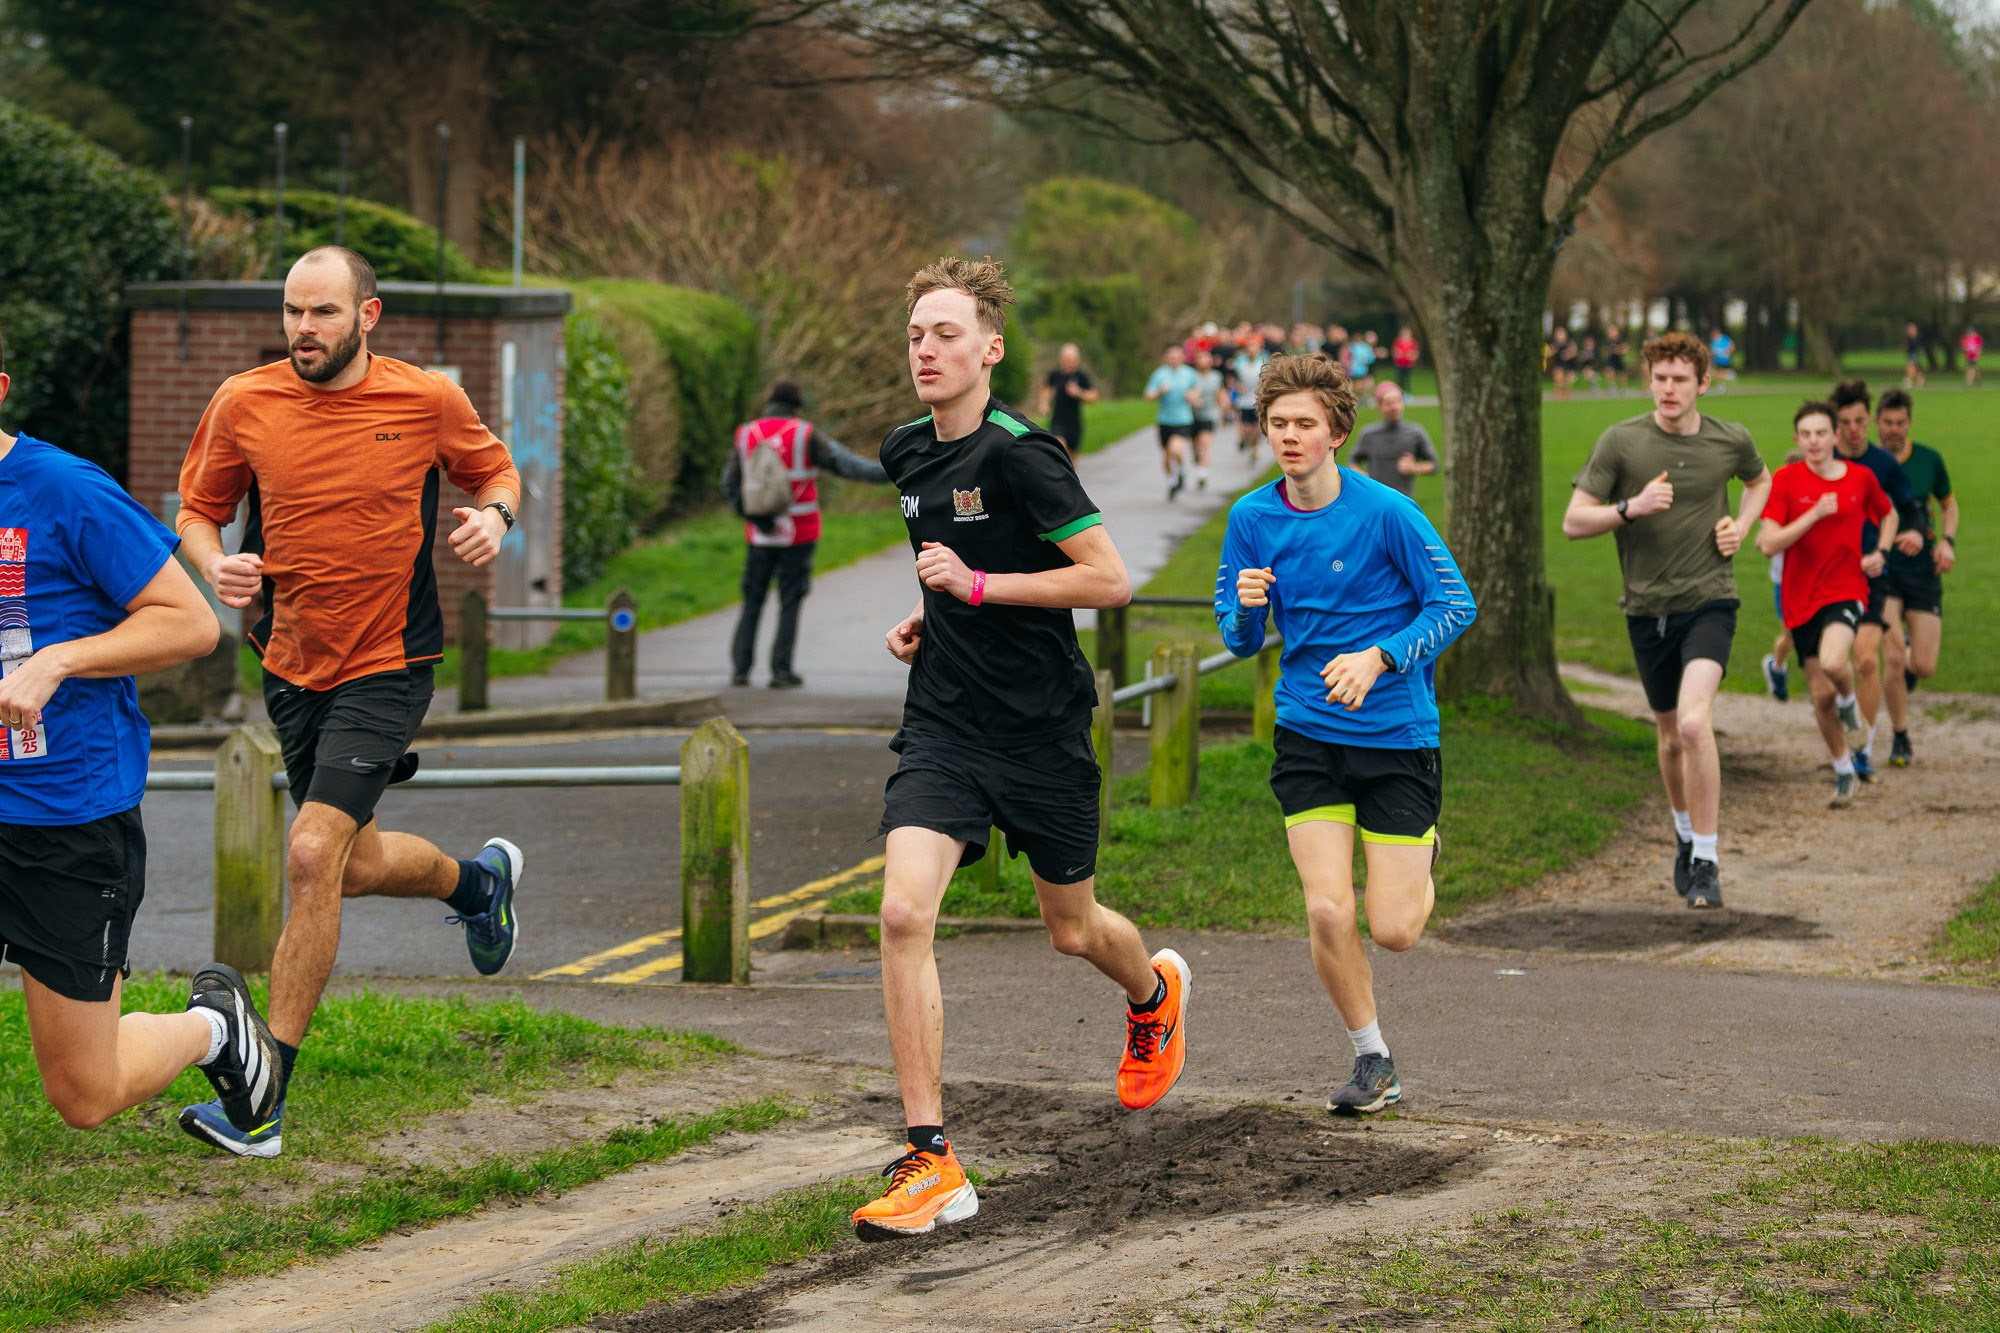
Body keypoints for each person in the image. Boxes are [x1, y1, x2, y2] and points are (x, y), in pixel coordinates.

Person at [857, 256, 1188, 1241]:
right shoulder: (903, 452)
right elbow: (946, 567)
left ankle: (1152, 991)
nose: (925, 348)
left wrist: (977, 590)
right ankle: (930, 1157)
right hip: (946, 725)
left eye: (945, 332)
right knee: (901, 908)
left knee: (1073, 929)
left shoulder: (1023, 455)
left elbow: (1109, 578)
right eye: (914, 332)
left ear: (990, 349)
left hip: (1042, 729)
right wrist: (927, 615)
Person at [173, 246, 527, 1156]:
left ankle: (263, 1096)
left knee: (310, 849)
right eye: (293, 311)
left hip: (390, 659)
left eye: (323, 312)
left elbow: (496, 472)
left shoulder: (425, 399)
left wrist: (494, 516)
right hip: (291, 663)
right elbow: (197, 513)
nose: (303, 329)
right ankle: (479, 883)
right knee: (352, 864)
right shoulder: (243, 402)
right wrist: (218, 566)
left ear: (367, 316)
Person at [0, 335, 285, 1141]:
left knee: (85, 1092)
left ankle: (214, 1026)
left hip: (64, 817)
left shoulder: (63, 490)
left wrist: (60, 659)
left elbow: (192, 623)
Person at [1216, 353, 1476, 1115]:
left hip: (1397, 738)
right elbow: (1236, 639)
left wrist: (1381, 656)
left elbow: (1455, 604)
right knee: (1328, 909)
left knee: (1393, 928)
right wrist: (1247, 604)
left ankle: (1423, 844)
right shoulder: (1251, 519)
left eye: (1304, 423)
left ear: (1336, 432)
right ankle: (1373, 1059)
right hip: (1307, 734)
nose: (1289, 437)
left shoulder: (1387, 512)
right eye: (1277, 424)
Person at [1562, 331, 1771, 909]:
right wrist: (1631, 508)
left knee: (1693, 724)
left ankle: (1706, 858)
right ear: (1648, 380)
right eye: (1660, 378)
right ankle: (1683, 834)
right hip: (1646, 609)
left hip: (1710, 600)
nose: (1669, 389)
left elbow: (1761, 479)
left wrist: (1742, 527)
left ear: (1704, 382)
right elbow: (1574, 522)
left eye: (1681, 379)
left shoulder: (1731, 440)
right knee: (1668, 732)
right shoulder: (1622, 443)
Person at [1756, 401, 1895, 807]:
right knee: (1819, 695)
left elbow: (1888, 515)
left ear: (1836, 436)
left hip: (1846, 588)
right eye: (1806, 434)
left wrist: (1881, 552)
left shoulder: (1860, 477)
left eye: (1821, 433)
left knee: (1836, 663)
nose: (1814, 441)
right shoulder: (1786, 480)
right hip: (1799, 599)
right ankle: (1843, 770)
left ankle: (1851, 706)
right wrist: (1813, 514)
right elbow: (1768, 543)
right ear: (1797, 440)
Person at [720, 378, 890, 689]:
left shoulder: (746, 434)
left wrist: (755, 519)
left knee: (752, 599)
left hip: (760, 533)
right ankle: (781, 670)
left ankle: (740, 670)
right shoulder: (804, 433)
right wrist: (893, 469)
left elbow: (729, 483)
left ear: (769, 402)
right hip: (799, 533)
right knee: (790, 600)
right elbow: (847, 465)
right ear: (796, 407)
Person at [1828, 379, 1922, 782]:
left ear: (1869, 419)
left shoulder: (1883, 466)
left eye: (1859, 421)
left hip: (1871, 573)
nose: (1853, 429)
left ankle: (1862, 749)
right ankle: (1843, 732)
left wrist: (1915, 532)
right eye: (1845, 421)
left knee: (1867, 659)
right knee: (1827, 669)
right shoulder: (1823, 460)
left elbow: (1909, 509)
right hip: (1826, 575)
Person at [1874, 389, 1958, 766]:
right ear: (1877, 422)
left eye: (1900, 423)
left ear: (1909, 423)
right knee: (1892, 659)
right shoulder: (1867, 463)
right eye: (1887, 423)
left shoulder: (1929, 460)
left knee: (1922, 666)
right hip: (1885, 573)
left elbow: (1949, 505)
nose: (1893, 430)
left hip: (1924, 571)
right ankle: (1901, 736)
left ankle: (1909, 653)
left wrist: (1947, 542)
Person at [1347, 382, 1439, 497]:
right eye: (1389, 403)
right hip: (1375, 500)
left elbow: (1434, 465)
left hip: (1403, 501)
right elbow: (1352, 462)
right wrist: (1365, 478)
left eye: (1398, 401)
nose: (1395, 407)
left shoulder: (1415, 433)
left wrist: (1414, 467)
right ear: (1380, 407)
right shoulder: (1369, 434)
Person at [1144, 343, 1201, 500]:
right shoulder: (1159, 374)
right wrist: (1159, 392)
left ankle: (1182, 469)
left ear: (1182, 357)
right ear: (1166, 358)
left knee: (1174, 450)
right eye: (1171, 356)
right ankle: (1172, 480)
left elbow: (1197, 392)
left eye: (1177, 356)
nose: (1174, 359)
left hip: (1183, 419)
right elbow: (1148, 396)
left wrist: (1193, 397)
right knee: (1166, 456)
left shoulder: (1189, 374)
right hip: (1164, 420)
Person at [1035, 343, 1099, 461]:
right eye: (1065, 360)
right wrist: (1044, 404)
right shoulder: (1055, 374)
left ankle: (1070, 478)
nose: (1067, 364)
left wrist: (1079, 393)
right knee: (1060, 447)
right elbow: (1046, 390)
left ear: (1076, 361)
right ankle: (1059, 476)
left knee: (1072, 458)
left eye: (1070, 361)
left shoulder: (1081, 376)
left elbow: (1094, 397)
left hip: (1074, 422)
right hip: (1058, 419)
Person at [1190, 347, 1227, 490]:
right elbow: (1187, 393)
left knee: (1205, 443)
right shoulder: (1191, 376)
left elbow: (1220, 393)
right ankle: (1196, 457)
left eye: (1206, 358)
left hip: (1209, 415)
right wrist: (1193, 399)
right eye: (1200, 358)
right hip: (1191, 416)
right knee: (1195, 446)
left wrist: (1224, 403)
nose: (1203, 361)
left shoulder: (1216, 376)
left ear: (1210, 361)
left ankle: (1202, 474)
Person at [1231, 337, 1270, 458]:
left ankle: (1254, 448)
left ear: (1259, 349)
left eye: (1255, 348)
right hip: (1243, 400)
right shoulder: (1239, 363)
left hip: (1258, 400)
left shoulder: (1264, 362)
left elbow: (1269, 379)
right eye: (1250, 347)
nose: (1252, 350)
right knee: (1245, 428)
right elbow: (1232, 380)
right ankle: (1244, 440)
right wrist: (1236, 387)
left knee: (1256, 429)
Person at [1550, 328, 1578, 398]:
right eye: (1558, 335)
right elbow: (1549, 353)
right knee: (1558, 374)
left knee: (1568, 381)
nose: (1560, 336)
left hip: (1569, 367)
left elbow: (1575, 353)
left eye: (1561, 334)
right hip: (1559, 366)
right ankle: (1559, 391)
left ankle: (1565, 392)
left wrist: (1569, 354)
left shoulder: (1570, 343)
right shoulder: (1554, 345)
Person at [1391, 327, 1420, 392]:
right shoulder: (1398, 341)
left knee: (1407, 380)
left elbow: (1415, 353)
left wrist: (1411, 356)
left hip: (1408, 364)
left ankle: (1408, 393)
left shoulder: (1413, 342)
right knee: (1399, 379)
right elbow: (1395, 352)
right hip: (1399, 364)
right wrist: (1398, 354)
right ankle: (1400, 392)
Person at [1603, 325, 1630, 395]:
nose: (1611, 333)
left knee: (1622, 374)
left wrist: (1618, 350)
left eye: (1612, 331)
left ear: (1616, 332)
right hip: (1611, 359)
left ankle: (1624, 388)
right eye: (1610, 332)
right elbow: (1606, 350)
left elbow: (1625, 348)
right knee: (1609, 372)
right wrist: (1609, 351)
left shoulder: (1620, 339)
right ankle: (1612, 387)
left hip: (1619, 359)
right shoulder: (1608, 341)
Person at [1903, 323, 1927, 390]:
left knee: (1910, 366)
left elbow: (1918, 346)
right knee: (1915, 368)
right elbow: (1905, 346)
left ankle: (1908, 381)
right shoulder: (1907, 338)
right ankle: (1921, 378)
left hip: (1914, 354)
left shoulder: (1917, 337)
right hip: (1910, 354)